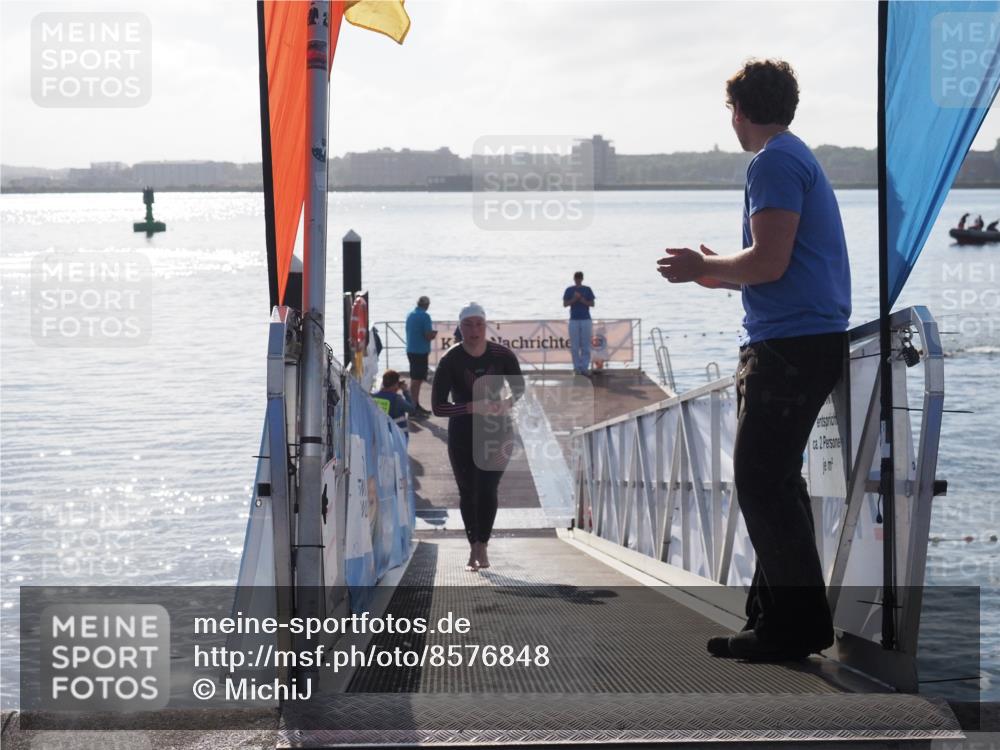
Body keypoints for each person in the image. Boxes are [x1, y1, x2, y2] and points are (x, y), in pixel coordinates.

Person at [656, 59, 851, 661]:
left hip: (790, 348)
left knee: (760, 480)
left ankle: (794, 626)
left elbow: (769, 262)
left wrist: (703, 267)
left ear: (738, 112)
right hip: (801, 340)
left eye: (730, 112)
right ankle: (772, 618)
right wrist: (719, 276)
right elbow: (777, 266)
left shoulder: (773, 162)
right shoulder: (794, 156)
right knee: (774, 481)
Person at [431, 303, 524, 571]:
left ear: (486, 326)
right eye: (468, 325)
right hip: (463, 433)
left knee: (487, 488)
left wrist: (506, 403)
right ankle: (473, 545)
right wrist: (471, 407)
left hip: (498, 430)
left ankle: (483, 544)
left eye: (479, 324)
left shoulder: (502, 355)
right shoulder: (450, 360)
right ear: (459, 328)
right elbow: (438, 407)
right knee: (468, 491)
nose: (474, 330)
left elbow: (518, 388)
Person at [405, 296, 437, 417]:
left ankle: (414, 405)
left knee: (415, 378)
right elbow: (428, 335)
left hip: (411, 349)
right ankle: (413, 407)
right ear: (427, 305)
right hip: (420, 351)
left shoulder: (410, 314)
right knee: (417, 380)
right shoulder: (425, 316)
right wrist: (433, 335)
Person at [563, 271, 596, 376]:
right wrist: (574, 299)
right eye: (576, 278)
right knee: (575, 346)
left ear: (582, 279)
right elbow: (565, 304)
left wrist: (581, 299)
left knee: (586, 345)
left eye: (579, 278)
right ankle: (576, 368)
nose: (578, 280)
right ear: (574, 279)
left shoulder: (587, 289)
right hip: (574, 320)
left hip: (585, 319)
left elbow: (592, 304)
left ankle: (584, 368)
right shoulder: (569, 290)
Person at [372, 369, 415, 437]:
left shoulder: (373, 397)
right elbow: (412, 409)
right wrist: (406, 391)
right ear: (395, 384)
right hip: (398, 437)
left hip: (380, 435)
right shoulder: (397, 399)